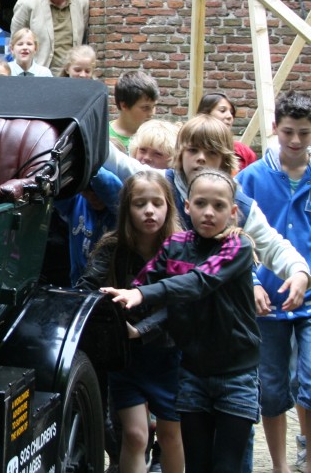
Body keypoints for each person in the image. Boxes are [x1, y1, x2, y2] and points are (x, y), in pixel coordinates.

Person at [102, 168, 260, 472]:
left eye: (219, 206)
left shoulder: (237, 247)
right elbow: (143, 284)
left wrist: (143, 295)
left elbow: (198, 283)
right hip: (192, 373)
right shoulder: (175, 246)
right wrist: (118, 310)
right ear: (187, 206)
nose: (209, 213)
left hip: (236, 374)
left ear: (234, 211)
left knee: (227, 464)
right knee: (197, 463)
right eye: (200, 204)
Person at [103, 114, 311, 312]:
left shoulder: (238, 204)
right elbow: (116, 161)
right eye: (193, 150)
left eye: (211, 152)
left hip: (216, 317)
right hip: (162, 312)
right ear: (180, 154)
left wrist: (299, 271)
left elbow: (273, 246)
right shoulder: (159, 184)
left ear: (224, 159)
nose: (200, 159)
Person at [77, 170, 184, 473]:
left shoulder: (180, 248)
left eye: (157, 203)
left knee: (171, 435)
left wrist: (141, 330)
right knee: (136, 435)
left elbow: (180, 305)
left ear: (169, 206)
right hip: (125, 358)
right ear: (127, 209)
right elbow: (87, 288)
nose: (149, 211)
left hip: (168, 357)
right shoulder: (112, 248)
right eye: (140, 204)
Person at [236, 90, 311, 473]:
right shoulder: (250, 179)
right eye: (288, 132)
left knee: (310, 380)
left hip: (310, 298)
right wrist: (251, 281)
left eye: (303, 132)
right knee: (271, 388)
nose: (296, 141)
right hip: (267, 300)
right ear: (275, 130)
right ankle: (280, 465)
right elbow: (235, 239)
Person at [10, 0, 89, 74]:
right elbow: (16, 42)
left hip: (72, 76)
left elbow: (84, 41)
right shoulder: (27, 3)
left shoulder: (82, 3)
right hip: (38, 76)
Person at [198, 91, 258, 173]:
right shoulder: (190, 146)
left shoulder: (245, 152)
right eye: (222, 111)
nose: (230, 116)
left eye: (232, 113)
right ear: (206, 114)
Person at [109, 71, 159, 153]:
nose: (152, 113)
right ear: (124, 106)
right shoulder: (103, 137)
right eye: (145, 108)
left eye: (153, 106)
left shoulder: (158, 137)